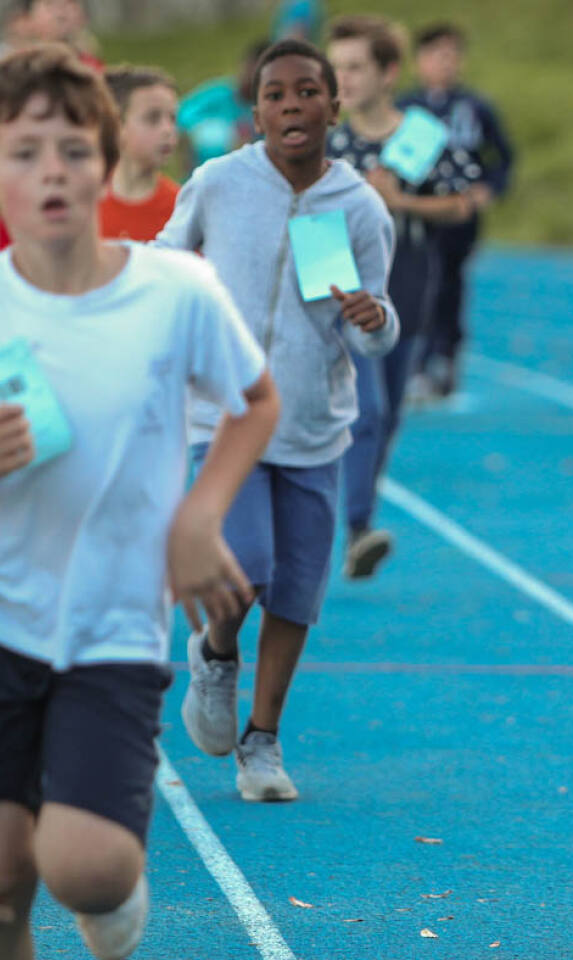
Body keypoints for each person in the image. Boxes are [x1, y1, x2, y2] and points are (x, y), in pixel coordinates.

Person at [0, 43, 279, 960]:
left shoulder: (172, 291)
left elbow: (254, 400)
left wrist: (200, 515)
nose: (51, 172)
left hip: (112, 626)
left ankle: (109, 905)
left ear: (106, 158)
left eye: (73, 150)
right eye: (24, 151)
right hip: (4, 619)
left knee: (85, 870)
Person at [156, 38, 400, 802]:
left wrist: (373, 317)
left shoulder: (359, 207)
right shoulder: (219, 183)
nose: (291, 105)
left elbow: (378, 325)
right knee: (246, 569)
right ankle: (215, 653)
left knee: (295, 593)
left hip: (313, 426)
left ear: (334, 106)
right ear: (255, 112)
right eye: (274, 94)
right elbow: (166, 258)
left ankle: (261, 742)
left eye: (306, 91)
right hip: (225, 414)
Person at [327, 14, 478, 578]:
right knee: (366, 410)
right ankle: (357, 527)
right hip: (341, 291)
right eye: (336, 68)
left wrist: (401, 202)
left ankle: (354, 517)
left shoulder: (419, 135)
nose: (343, 79)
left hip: (407, 285)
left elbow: (462, 201)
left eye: (355, 67)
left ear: (388, 72)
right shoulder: (327, 139)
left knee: (386, 414)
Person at [398, 22, 513, 400]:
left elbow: (503, 157)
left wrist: (488, 189)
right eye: (437, 55)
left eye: (452, 55)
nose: (445, 63)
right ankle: (416, 361)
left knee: (450, 286)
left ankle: (444, 357)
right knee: (415, 285)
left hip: (460, 219)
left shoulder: (475, 108)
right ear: (419, 60)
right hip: (416, 216)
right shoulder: (406, 108)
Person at [99, 65, 179, 241]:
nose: (168, 130)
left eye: (172, 118)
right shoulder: (85, 202)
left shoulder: (182, 209)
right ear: (116, 126)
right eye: (153, 118)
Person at [176, 37, 268, 174]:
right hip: (200, 174)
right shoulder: (218, 95)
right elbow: (179, 118)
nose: (250, 78)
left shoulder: (266, 109)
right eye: (249, 69)